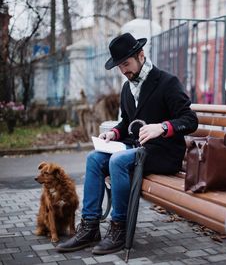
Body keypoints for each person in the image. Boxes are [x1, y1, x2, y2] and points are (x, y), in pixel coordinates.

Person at [56, 33, 198, 254]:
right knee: (94, 158)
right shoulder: (127, 88)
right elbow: (126, 122)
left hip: (163, 153)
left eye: (126, 64)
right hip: (136, 149)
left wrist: (162, 127)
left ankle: (119, 228)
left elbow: (190, 120)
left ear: (141, 55)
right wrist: (113, 133)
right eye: (119, 66)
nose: (123, 71)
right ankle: (90, 227)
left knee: (118, 161)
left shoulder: (167, 82)